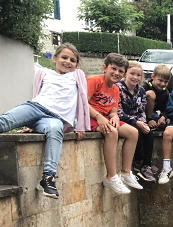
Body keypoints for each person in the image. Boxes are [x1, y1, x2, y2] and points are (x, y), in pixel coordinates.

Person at [0, 43, 89, 198]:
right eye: (64, 57)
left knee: (55, 130)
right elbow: (37, 93)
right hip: (35, 108)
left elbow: (83, 100)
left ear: (77, 64)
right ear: (55, 58)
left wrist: (80, 125)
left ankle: (48, 178)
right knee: (4, 122)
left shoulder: (77, 75)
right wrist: (32, 123)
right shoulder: (43, 72)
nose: (68, 61)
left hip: (54, 119)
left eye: (72, 60)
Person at [87, 53, 143, 195]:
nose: (116, 73)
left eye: (120, 71)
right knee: (112, 132)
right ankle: (111, 176)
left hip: (105, 117)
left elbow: (112, 111)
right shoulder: (94, 80)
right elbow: (82, 103)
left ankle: (125, 172)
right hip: (89, 116)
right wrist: (99, 117)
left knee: (133, 132)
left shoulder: (116, 89)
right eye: (114, 69)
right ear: (105, 67)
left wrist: (115, 117)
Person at [117, 61, 155, 183]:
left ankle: (147, 165)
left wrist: (143, 122)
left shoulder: (141, 91)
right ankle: (138, 162)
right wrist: (136, 122)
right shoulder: (118, 88)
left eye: (138, 75)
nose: (135, 77)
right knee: (137, 131)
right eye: (132, 74)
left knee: (148, 132)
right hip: (123, 120)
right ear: (125, 74)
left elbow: (141, 110)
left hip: (137, 120)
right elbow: (118, 112)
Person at [145, 64, 172, 132]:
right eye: (160, 80)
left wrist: (163, 117)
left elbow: (165, 109)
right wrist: (149, 119)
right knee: (151, 94)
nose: (163, 84)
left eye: (166, 82)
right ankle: (149, 120)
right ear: (153, 76)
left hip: (156, 113)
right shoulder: (144, 87)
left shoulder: (165, 92)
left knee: (167, 121)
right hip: (144, 113)